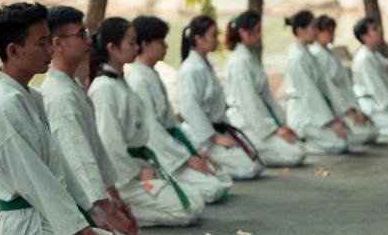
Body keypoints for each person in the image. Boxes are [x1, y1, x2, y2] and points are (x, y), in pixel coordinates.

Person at [0, 2, 137, 235]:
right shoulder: (1, 106)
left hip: (46, 215)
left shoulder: (31, 96)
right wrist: (87, 234)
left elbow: (59, 168)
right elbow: (37, 183)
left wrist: (92, 217)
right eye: (42, 42)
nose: (50, 49)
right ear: (14, 51)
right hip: (28, 222)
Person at [88, 17, 205, 226]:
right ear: (112, 48)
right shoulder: (104, 87)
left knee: (195, 200)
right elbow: (109, 141)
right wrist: (136, 173)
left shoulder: (120, 81)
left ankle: (129, 211)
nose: (136, 47)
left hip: (140, 163)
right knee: (190, 209)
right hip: (124, 177)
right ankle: (121, 213)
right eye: (131, 42)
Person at [41, 5, 140, 235]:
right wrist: (108, 212)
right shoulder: (59, 95)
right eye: (81, 35)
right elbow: (79, 161)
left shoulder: (73, 85)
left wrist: (114, 197)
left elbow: (96, 151)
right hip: (76, 198)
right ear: (58, 43)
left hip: (93, 194)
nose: (88, 40)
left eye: (86, 33)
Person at [127, 15, 233, 204]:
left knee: (222, 177)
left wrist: (194, 150)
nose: (166, 46)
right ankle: (165, 182)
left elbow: (173, 123)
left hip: (174, 147)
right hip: (163, 154)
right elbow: (152, 131)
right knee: (214, 188)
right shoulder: (138, 80)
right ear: (145, 44)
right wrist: (185, 158)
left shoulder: (151, 74)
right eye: (161, 41)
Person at [178, 15, 265, 179]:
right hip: (203, 135)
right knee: (249, 168)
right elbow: (190, 108)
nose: (216, 40)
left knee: (257, 163)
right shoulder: (190, 69)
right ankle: (208, 163)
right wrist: (213, 136)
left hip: (219, 128)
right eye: (212, 35)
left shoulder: (204, 64)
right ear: (198, 39)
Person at [223, 11, 307, 167]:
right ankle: (248, 152)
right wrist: (273, 130)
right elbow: (249, 104)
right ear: (243, 32)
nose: (260, 35)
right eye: (256, 31)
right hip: (248, 122)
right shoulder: (239, 62)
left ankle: (255, 151)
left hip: (261, 121)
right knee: (296, 153)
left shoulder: (250, 56)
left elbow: (267, 97)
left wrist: (281, 124)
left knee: (298, 147)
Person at [283, 10, 349, 154]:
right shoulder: (297, 58)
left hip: (314, 112)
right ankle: (304, 144)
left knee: (347, 137)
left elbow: (325, 88)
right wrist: (331, 122)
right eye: (313, 27)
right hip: (304, 114)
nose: (316, 31)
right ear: (300, 31)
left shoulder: (308, 55)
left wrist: (336, 116)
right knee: (339, 143)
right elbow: (310, 94)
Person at [311, 15, 378, 145]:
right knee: (362, 135)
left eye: (333, 30)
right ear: (318, 32)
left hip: (345, 103)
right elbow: (330, 89)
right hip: (335, 107)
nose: (332, 34)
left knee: (372, 131)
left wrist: (356, 109)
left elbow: (345, 85)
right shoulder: (317, 55)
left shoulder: (330, 53)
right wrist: (347, 111)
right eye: (328, 31)